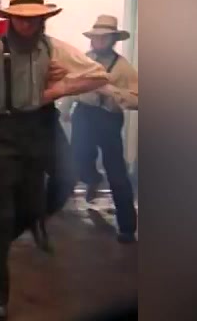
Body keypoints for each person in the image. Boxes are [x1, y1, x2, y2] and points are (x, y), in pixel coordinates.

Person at [0, 0, 112, 321]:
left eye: (34, 18)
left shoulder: (52, 49)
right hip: (1, 129)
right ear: (10, 18)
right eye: (21, 18)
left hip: (41, 124)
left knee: (59, 184)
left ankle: (5, 231)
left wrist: (59, 86)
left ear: (43, 18)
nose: (27, 24)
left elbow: (98, 75)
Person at [60, 15, 138, 243]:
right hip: (84, 114)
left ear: (113, 39)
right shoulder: (84, 60)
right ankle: (92, 178)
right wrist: (65, 108)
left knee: (116, 171)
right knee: (79, 158)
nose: (98, 41)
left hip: (108, 118)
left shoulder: (123, 68)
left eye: (104, 38)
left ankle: (127, 227)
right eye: (96, 37)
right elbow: (72, 84)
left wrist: (112, 92)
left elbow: (137, 99)